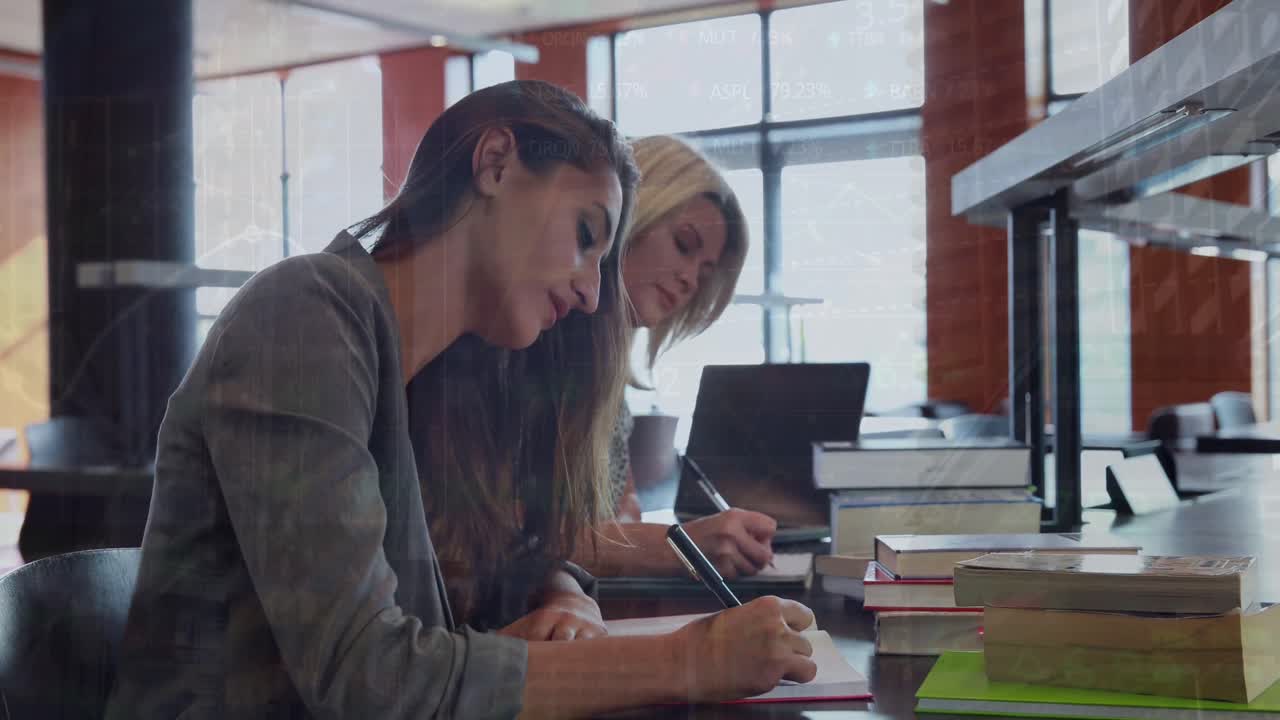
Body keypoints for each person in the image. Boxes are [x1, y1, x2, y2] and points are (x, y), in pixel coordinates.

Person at [105, 80, 816, 719]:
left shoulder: (445, 370)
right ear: (496, 163)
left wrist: (559, 596)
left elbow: (491, 572)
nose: (596, 293)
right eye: (584, 234)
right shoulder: (305, 315)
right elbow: (370, 681)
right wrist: (686, 660)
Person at [572, 135, 779, 580]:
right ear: (628, 214)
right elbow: (503, 544)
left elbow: (618, 524)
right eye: (685, 244)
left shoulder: (609, 389)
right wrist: (678, 546)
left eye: (706, 273)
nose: (690, 281)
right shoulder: (527, 352)